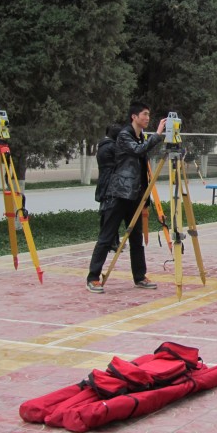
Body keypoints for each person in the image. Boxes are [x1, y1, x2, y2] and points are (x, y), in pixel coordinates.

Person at [86, 102, 166, 294]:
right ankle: (93, 277)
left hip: (135, 195)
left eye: (149, 114)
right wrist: (158, 134)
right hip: (119, 194)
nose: (147, 118)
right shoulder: (124, 135)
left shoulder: (141, 137)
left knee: (136, 238)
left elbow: (143, 153)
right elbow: (138, 151)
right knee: (106, 238)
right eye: (144, 114)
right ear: (134, 116)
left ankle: (139, 276)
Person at [95, 123, 122, 233]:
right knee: (111, 212)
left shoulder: (103, 145)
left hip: (105, 180)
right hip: (110, 182)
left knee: (107, 211)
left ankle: (109, 239)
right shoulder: (111, 146)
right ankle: (110, 240)